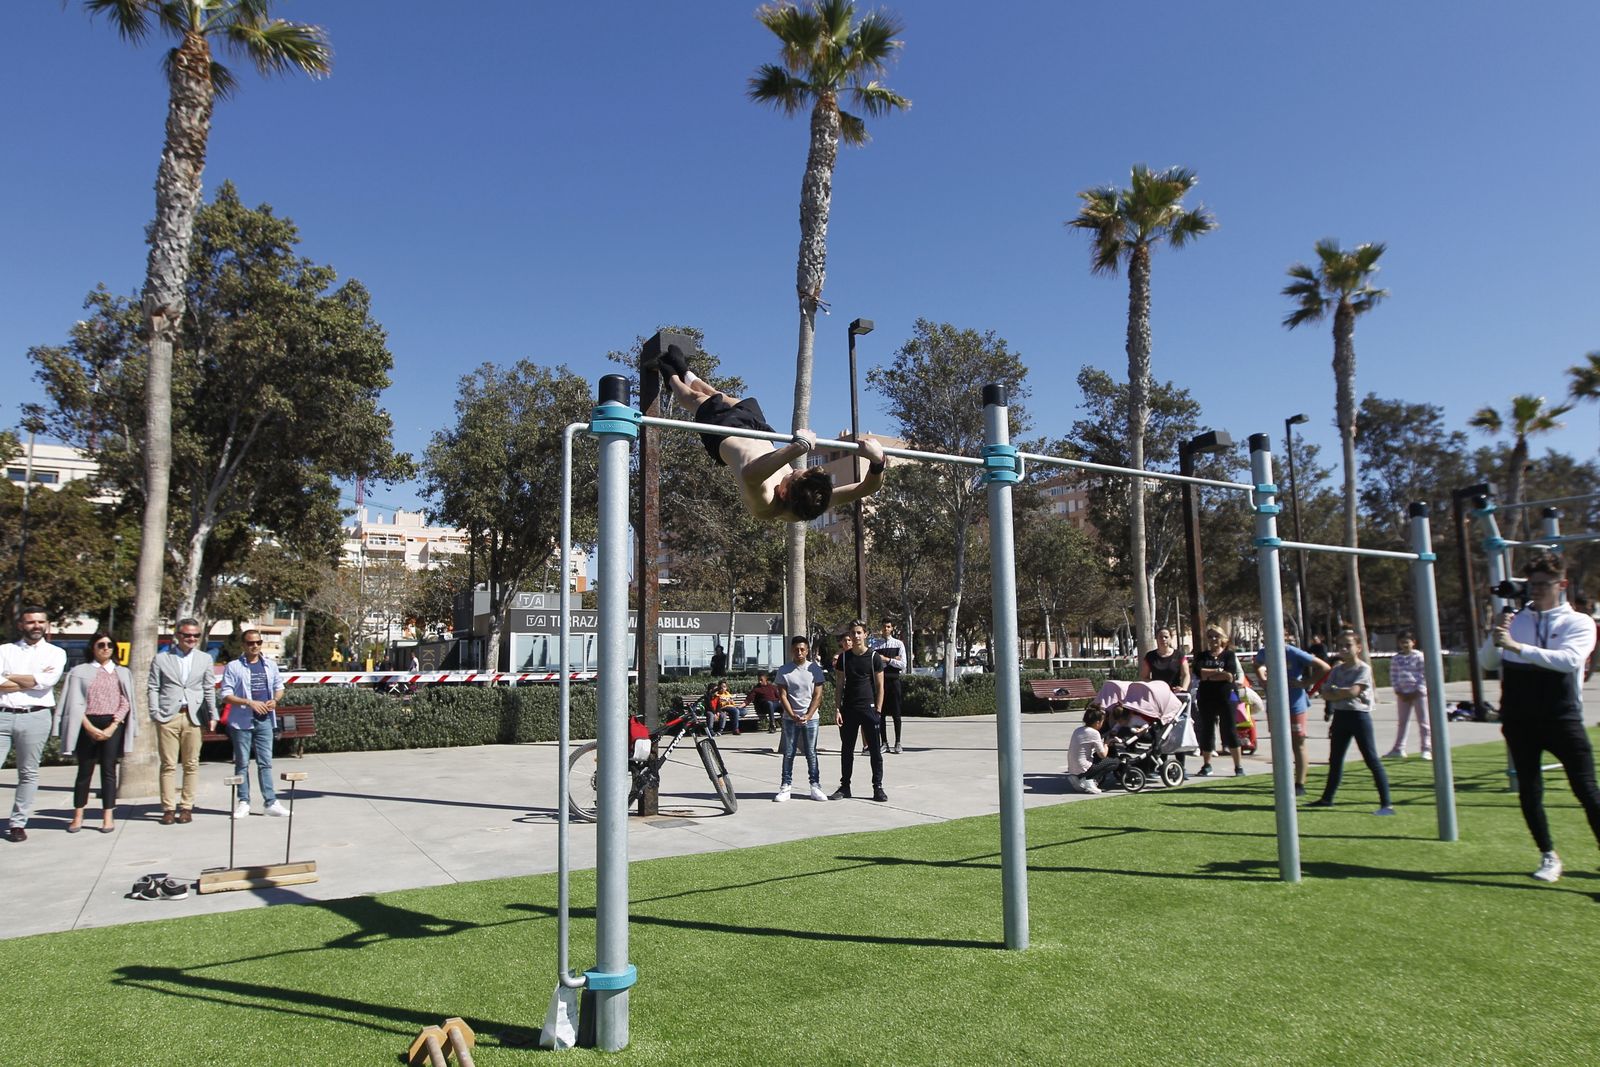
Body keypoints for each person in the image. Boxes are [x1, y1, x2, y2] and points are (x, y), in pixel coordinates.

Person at [658, 344, 886, 521]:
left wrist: (800, 447)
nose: (794, 471)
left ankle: (672, 377)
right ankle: (689, 374)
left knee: (695, 400)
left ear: (785, 493)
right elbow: (866, 488)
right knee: (724, 397)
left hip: (726, 435)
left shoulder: (766, 503)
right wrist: (877, 461)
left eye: (792, 475)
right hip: (760, 432)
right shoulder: (813, 500)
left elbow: (750, 474)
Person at [1481, 553, 1600, 883]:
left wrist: (1518, 648)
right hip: (1519, 719)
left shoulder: (1579, 622)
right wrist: (1496, 638)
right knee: (1529, 791)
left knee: (1587, 790)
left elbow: (1569, 660)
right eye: (1530, 584)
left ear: (1561, 585)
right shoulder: (1515, 619)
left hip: (1562, 717)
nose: (1534, 591)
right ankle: (1548, 854)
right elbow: (1488, 662)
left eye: (1542, 585)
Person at [56, 632, 137, 834]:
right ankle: (78, 816)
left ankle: (108, 816)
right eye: (101, 644)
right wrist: (89, 727)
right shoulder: (80, 671)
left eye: (110, 644)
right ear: (93, 647)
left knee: (109, 771)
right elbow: (74, 701)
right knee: (85, 771)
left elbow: (126, 701)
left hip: (113, 723)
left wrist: (112, 726)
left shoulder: (122, 672)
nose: (106, 648)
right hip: (87, 723)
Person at [1307, 632, 1394, 815]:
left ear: (1358, 648)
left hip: (1359, 717)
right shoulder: (1337, 670)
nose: (1344, 649)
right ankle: (1327, 799)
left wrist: (1337, 691)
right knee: (1335, 760)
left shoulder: (1363, 669)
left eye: (1348, 645)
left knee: (1371, 759)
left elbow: (1354, 692)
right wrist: (1339, 692)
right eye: (1341, 646)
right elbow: (1325, 693)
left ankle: (1386, 804)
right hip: (1341, 716)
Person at [0, 606, 67, 842]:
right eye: (31, 622)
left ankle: (18, 824)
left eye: (41, 622)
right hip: (3, 715)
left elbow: (46, 682)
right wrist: (32, 680)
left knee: (28, 772)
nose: (36, 626)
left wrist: (9, 675)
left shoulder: (56, 653)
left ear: (47, 624)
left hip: (36, 717)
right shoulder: (4, 651)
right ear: (21, 625)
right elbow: (34, 681)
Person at [148, 617, 218, 824]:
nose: (191, 638)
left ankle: (186, 807)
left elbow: (208, 688)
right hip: (169, 715)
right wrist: (155, 713)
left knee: (191, 764)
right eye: (187, 635)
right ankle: (168, 808)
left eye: (195, 635)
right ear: (177, 635)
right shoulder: (162, 659)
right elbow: (153, 686)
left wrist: (213, 714)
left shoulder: (204, 659)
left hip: (193, 716)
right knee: (168, 764)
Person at [1253, 629, 1331, 797]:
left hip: (1295, 705)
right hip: (1275, 705)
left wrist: (1306, 683)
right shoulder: (1263, 653)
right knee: (1279, 744)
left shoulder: (1292, 652)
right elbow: (1257, 664)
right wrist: (1263, 679)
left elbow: (1324, 667)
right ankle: (1283, 781)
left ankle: (1299, 784)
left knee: (1298, 743)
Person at [220, 629, 288, 818]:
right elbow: (225, 695)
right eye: (251, 643)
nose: (255, 646)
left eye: (258, 642)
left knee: (265, 763)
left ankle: (270, 801)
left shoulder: (270, 665)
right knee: (242, 762)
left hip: (265, 720)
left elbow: (279, 687)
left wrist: (275, 700)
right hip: (242, 722)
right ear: (244, 645)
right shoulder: (234, 667)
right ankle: (244, 802)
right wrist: (249, 702)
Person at [831, 621, 888, 802]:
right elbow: (839, 684)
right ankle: (845, 786)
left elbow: (880, 686)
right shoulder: (844, 658)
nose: (855, 636)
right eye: (853, 633)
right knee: (847, 750)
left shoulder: (874, 657)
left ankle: (877, 787)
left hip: (869, 709)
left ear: (865, 634)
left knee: (875, 751)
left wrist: (878, 711)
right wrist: (837, 708)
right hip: (849, 709)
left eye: (858, 633)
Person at [773, 636, 828, 803]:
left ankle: (815, 786)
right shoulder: (784, 670)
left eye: (802, 649)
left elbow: (818, 696)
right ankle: (785, 786)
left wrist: (808, 715)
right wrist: (792, 715)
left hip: (811, 719)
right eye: (796, 649)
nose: (799, 652)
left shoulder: (814, 669)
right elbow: (782, 696)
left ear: (807, 650)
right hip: (790, 718)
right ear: (792, 650)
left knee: (811, 753)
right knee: (789, 753)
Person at [1190, 627, 1244, 777]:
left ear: (1222, 638)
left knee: (1230, 730)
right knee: (1207, 730)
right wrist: (1219, 673)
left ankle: (1238, 766)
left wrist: (1211, 674)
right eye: (1210, 636)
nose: (1213, 639)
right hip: (1206, 697)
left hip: (1227, 697)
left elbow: (1230, 675)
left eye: (1216, 636)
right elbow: (1199, 672)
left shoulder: (1229, 655)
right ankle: (1206, 765)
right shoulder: (1202, 656)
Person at [1384, 631, 1431, 760]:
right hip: (1403, 694)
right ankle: (1399, 748)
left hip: (1418, 694)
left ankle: (1426, 749)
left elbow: (1423, 675)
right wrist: (1398, 691)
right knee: (1402, 722)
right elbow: (1393, 675)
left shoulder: (1419, 657)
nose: (1405, 644)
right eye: (1402, 642)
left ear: (1413, 642)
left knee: (1423, 722)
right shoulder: (1396, 658)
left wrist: (1417, 690)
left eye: (1407, 641)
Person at [871, 619, 908, 753]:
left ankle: (898, 742)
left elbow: (903, 664)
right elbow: (875, 664)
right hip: (880, 682)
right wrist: (893, 660)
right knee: (880, 713)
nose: (886, 629)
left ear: (892, 628)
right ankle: (884, 742)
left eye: (888, 626)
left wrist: (887, 660)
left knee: (896, 714)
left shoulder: (898, 644)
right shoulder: (876, 645)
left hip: (894, 682)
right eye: (883, 626)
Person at [1066, 707, 1121, 794]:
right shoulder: (1094, 733)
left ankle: (1078, 777)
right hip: (1083, 766)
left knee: (1095, 757)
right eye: (1102, 721)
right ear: (1097, 722)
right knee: (1115, 762)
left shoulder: (1078, 730)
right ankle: (1089, 780)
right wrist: (1106, 744)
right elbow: (1102, 755)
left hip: (1073, 767)